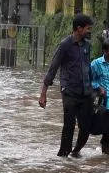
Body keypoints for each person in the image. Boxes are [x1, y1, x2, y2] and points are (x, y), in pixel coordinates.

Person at [39, 14, 95, 158]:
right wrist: (43, 94)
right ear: (79, 28)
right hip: (69, 91)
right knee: (69, 126)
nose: (90, 31)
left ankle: (75, 151)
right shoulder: (65, 45)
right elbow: (53, 68)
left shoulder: (87, 45)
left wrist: (95, 88)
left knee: (86, 127)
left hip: (86, 92)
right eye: (88, 29)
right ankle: (63, 157)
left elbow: (88, 68)